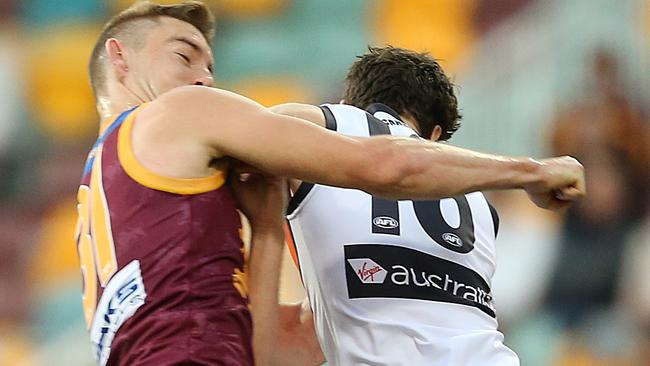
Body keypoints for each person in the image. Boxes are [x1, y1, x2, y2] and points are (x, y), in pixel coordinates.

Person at [76, 1, 585, 365]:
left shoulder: (95, 198)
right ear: (119, 57)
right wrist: (532, 171)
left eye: (211, 64)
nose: (207, 79)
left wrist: (271, 227)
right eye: (184, 56)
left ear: (349, 100)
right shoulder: (473, 195)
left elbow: (272, 351)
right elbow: (389, 166)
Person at [271, 46, 538, 365]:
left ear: (347, 105)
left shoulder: (324, 127)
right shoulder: (479, 203)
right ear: (435, 135)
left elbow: (257, 130)